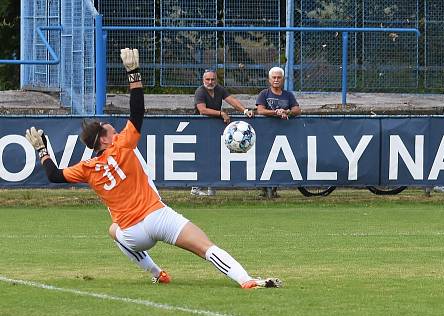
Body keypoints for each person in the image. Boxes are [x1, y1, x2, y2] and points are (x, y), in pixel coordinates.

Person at [23, 48, 281, 289]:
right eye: (106, 127)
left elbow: (54, 175)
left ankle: (157, 273)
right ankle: (246, 280)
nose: (112, 126)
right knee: (206, 248)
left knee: (113, 230)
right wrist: (133, 74)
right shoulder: (121, 145)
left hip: (133, 234)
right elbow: (137, 112)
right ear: (103, 139)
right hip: (157, 217)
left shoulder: (87, 168)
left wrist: (43, 151)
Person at [191, 69, 253, 196]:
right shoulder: (200, 91)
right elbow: (202, 110)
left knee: (214, 156)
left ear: (216, 80)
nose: (210, 82)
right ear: (203, 80)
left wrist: (245, 110)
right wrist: (221, 113)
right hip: (200, 128)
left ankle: (211, 186)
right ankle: (195, 187)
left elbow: (232, 101)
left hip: (214, 128)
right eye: (207, 79)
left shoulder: (219, 89)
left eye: (213, 79)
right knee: (202, 157)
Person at [250, 66, 302, 197]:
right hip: (266, 134)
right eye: (274, 77)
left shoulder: (288, 95)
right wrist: (276, 112)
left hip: (283, 135)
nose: (276, 80)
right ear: (269, 79)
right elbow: (260, 110)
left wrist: (287, 111)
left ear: (283, 79)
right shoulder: (264, 94)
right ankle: (264, 189)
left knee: (280, 161)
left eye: (279, 77)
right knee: (264, 160)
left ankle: (274, 188)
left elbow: (297, 110)